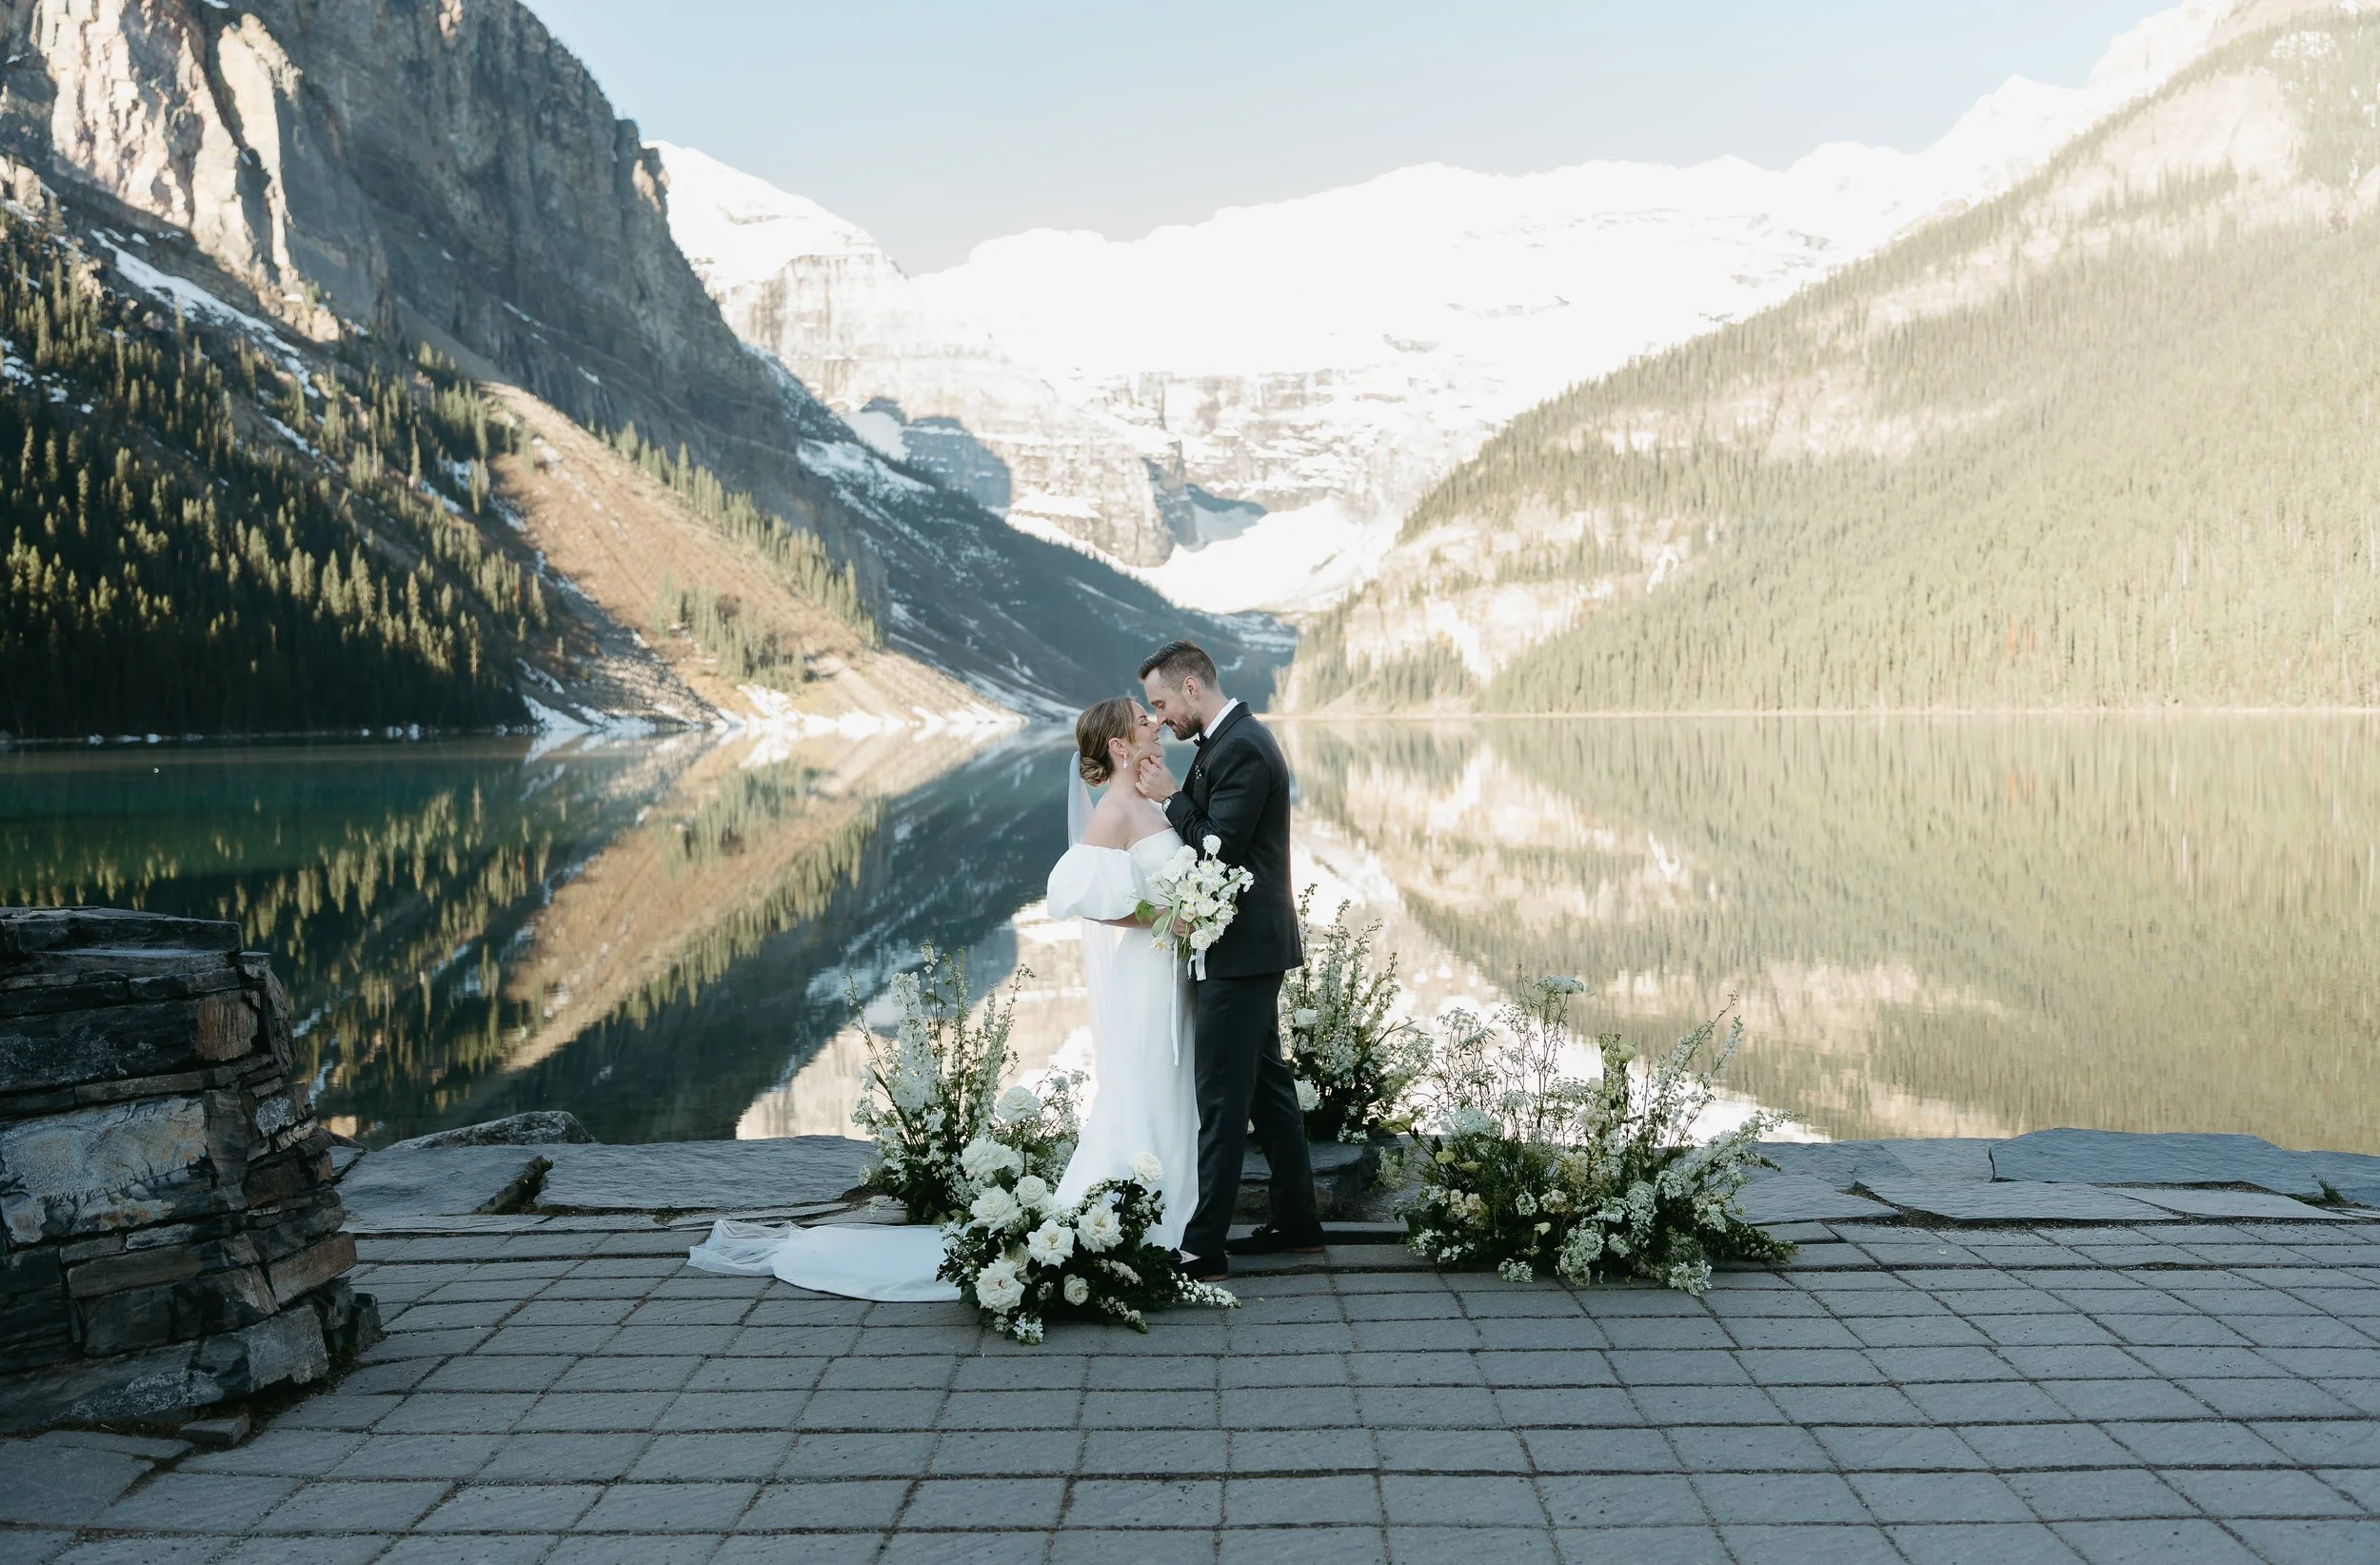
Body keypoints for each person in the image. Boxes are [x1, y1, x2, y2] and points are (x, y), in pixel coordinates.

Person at [684, 694, 1203, 1297]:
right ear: (1118, 746)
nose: (1155, 723)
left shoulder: (1151, 798)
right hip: (1149, 970)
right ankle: (1137, 1221)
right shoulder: (1112, 811)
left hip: (1174, 966)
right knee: (1146, 1084)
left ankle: (1173, 1215)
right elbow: (1078, 896)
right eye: (1144, 720)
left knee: (1173, 1083)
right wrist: (1166, 917)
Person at [1132, 639, 1322, 1281]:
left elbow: (1217, 848)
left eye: (1161, 703)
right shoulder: (1228, 740)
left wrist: (1165, 796)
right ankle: (1298, 1222)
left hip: (1240, 951)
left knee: (1220, 1096)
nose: (1158, 719)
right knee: (1267, 1089)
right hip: (1245, 946)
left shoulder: (1240, 746)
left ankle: (1204, 1246)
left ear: (1192, 688)